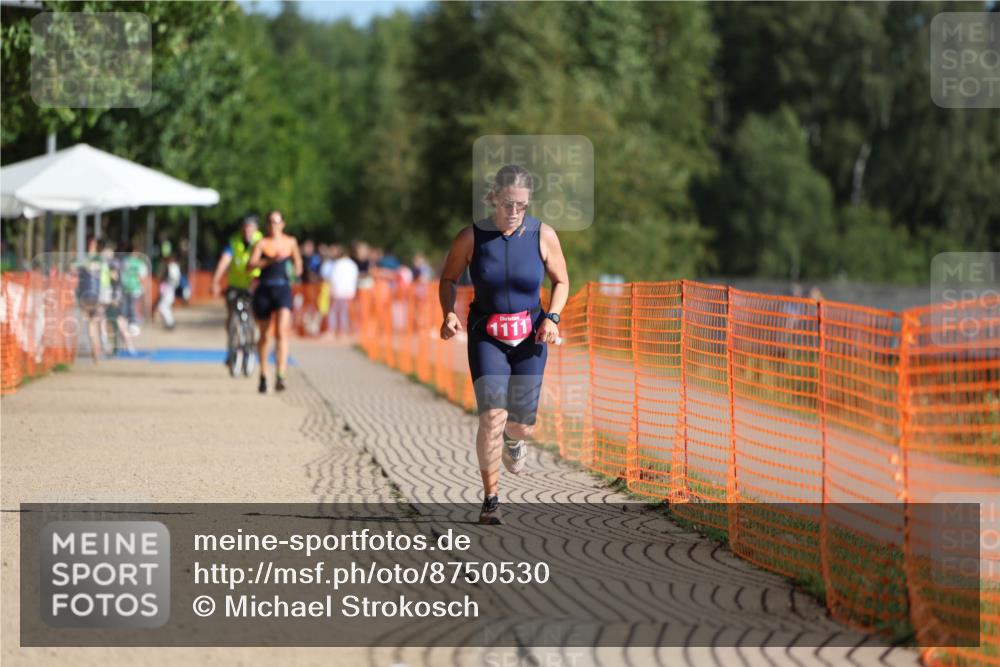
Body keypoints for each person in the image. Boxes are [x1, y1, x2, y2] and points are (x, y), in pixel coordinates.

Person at [439, 164, 569, 524]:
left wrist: (552, 318)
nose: (514, 211)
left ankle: (515, 440)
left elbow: (561, 281)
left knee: (521, 425)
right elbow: (448, 279)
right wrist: (448, 313)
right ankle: (491, 498)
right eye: (508, 203)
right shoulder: (472, 237)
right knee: (492, 415)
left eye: (521, 205)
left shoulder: (543, 235)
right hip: (487, 334)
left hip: (531, 335)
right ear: (493, 197)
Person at [248, 210, 303, 393]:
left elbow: (298, 264)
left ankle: (280, 374)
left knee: (281, 332)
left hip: (283, 289)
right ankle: (264, 374)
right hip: (264, 289)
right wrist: (270, 260)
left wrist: (295, 270)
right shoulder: (262, 243)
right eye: (271, 221)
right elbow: (250, 265)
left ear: (283, 224)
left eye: (277, 221)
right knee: (265, 336)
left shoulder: (291, 242)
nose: (274, 225)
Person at [211, 215, 263, 364]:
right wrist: (215, 281)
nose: (247, 232)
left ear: (256, 229)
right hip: (235, 284)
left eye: (251, 228)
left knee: (255, 314)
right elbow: (224, 261)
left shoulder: (261, 241)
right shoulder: (234, 242)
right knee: (232, 313)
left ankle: (252, 341)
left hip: (254, 284)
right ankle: (231, 345)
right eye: (245, 228)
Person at [75, 237, 109, 362]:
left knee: (91, 323)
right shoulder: (98, 260)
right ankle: (97, 348)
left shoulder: (86, 260)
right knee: (94, 322)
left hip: (90, 295)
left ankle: (95, 348)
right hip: (94, 295)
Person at [321, 244, 359, 338]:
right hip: (348, 292)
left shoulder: (338, 264)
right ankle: (343, 331)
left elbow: (334, 278)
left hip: (338, 291)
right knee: (344, 312)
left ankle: (332, 330)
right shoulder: (353, 264)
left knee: (333, 311)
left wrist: (332, 290)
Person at [157, 253, 181, 330]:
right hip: (169, 288)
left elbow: (172, 279)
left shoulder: (173, 266)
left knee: (162, 307)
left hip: (169, 288)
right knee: (164, 307)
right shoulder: (173, 266)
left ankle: (170, 322)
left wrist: (165, 280)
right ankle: (169, 322)